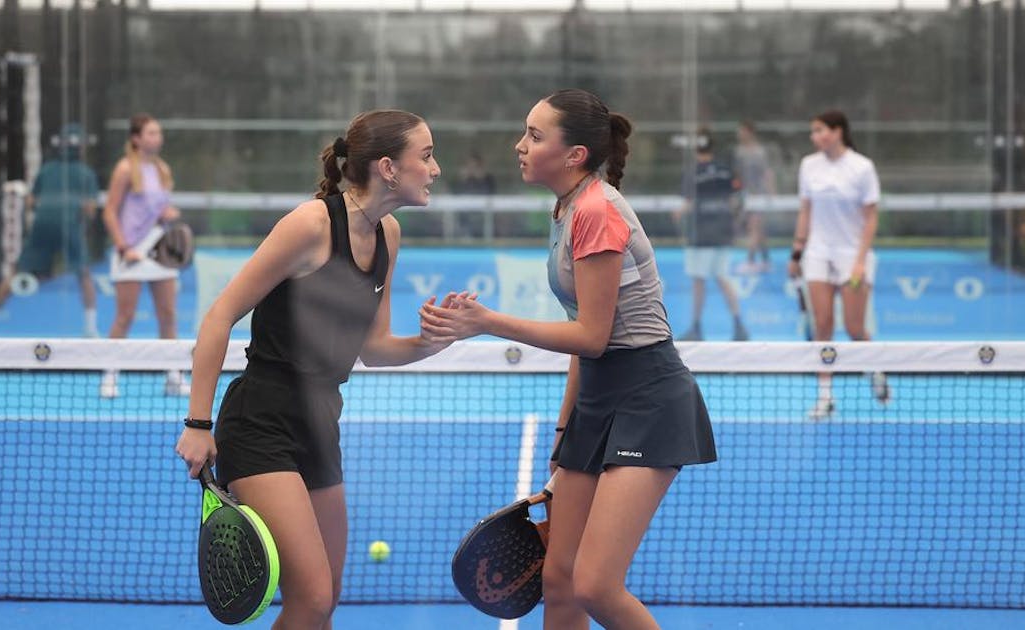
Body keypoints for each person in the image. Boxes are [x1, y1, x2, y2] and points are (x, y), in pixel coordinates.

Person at [421, 89, 717, 630]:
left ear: (575, 154)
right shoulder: (568, 208)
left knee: (597, 585)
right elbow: (587, 349)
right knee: (559, 582)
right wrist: (565, 434)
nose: (520, 146)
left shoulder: (598, 212)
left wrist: (488, 322)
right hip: (599, 402)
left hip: (649, 400)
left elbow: (593, 336)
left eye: (535, 136)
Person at [175, 110, 460, 630]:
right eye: (427, 155)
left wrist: (435, 340)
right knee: (309, 599)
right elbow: (219, 317)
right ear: (388, 168)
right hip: (261, 422)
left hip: (321, 424)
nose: (436, 168)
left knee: (325, 602)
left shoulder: (388, 235)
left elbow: (374, 349)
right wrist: (198, 424)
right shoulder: (310, 224)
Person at [789, 110, 889, 418]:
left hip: (852, 256)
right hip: (818, 253)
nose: (814, 136)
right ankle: (825, 397)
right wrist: (797, 252)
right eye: (813, 131)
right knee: (823, 327)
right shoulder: (809, 166)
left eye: (819, 130)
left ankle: (875, 370)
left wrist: (859, 262)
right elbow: (806, 210)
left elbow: (871, 217)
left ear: (837, 132)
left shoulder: (862, 168)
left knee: (855, 327)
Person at [0, 123, 99, 337]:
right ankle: (91, 329)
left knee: (16, 272)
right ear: (79, 147)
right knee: (84, 274)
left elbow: (31, 201)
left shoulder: (47, 169)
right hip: (68, 227)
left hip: (42, 225)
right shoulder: (86, 174)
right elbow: (90, 210)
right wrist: (76, 213)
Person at [100, 113, 187, 398]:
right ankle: (110, 376)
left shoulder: (162, 169)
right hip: (131, 251)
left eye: (158, 133)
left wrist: (167, 214)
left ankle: (173, 376)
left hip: (158, 250)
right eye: (151, 133)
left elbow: (157, 209)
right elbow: (110, 211)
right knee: (125, 315)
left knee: (168, 314)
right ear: (136, 139)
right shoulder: (125, 169)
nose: (157, 138)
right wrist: (124, 247)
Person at [674, 128, 749, 342]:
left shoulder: (693, 173)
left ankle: (696, 328)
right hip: (723, 232)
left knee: (699, 281)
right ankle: (739, 325)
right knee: (723, 277)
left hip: (701, 235)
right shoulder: (725, 170)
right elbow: (737, 200)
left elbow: (686, 205)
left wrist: (678, 216)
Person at [733, 120, 776, 273]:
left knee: (754, 227)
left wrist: (771, 193)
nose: (739, 134)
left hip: (759, 195)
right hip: (746, 196)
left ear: (750, 132)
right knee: (759, 230)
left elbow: (767, 173)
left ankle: (750, 261)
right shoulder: (739, 152)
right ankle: (766, 260)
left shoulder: (759, 152)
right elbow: (738, 176)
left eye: (742, 131)